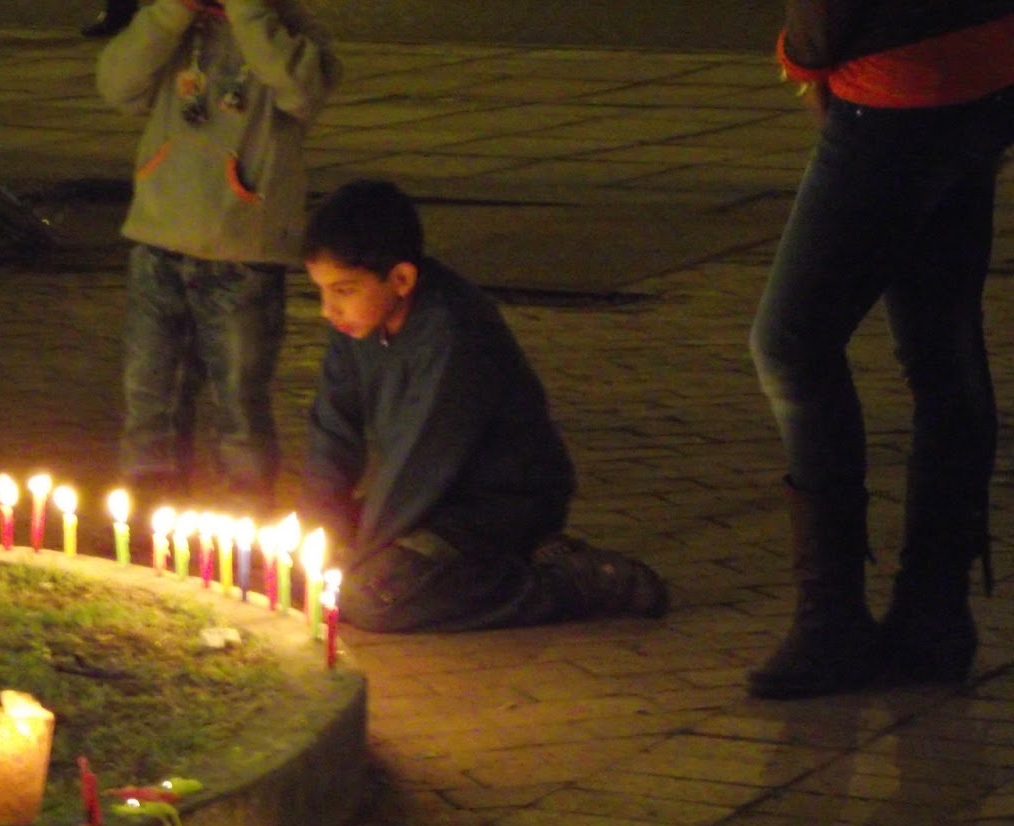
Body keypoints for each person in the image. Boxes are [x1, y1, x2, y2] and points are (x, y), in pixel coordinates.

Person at [746, 0, 1014, 698]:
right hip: (988, 62)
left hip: (895, 82)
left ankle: (830, 621)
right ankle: (934, 617)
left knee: (791, 345)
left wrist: (804, 59)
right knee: (942, 341)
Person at [298, 180, 669, 633]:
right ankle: (507, 561)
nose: (327, 310)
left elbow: (422, 462)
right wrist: (319, 530)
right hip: (431, 500)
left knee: (373, 596)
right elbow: (333, 430)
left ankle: (572, 583)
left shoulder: (453, 331)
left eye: (343, 290)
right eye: (322, 291)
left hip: (498, 502)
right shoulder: (356, 325)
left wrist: (358, 555)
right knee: (296, 558)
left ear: (401, 279)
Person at [98, 0, 340, 514]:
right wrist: (170, 13)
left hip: (243, 253)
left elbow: (303, 91)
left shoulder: (287, 26)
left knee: (239, 409)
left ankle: (244, 536)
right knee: (149, 405)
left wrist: (248, 14)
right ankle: (147, 528)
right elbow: (117, 84)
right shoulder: (175, 23)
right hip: (158, 241)